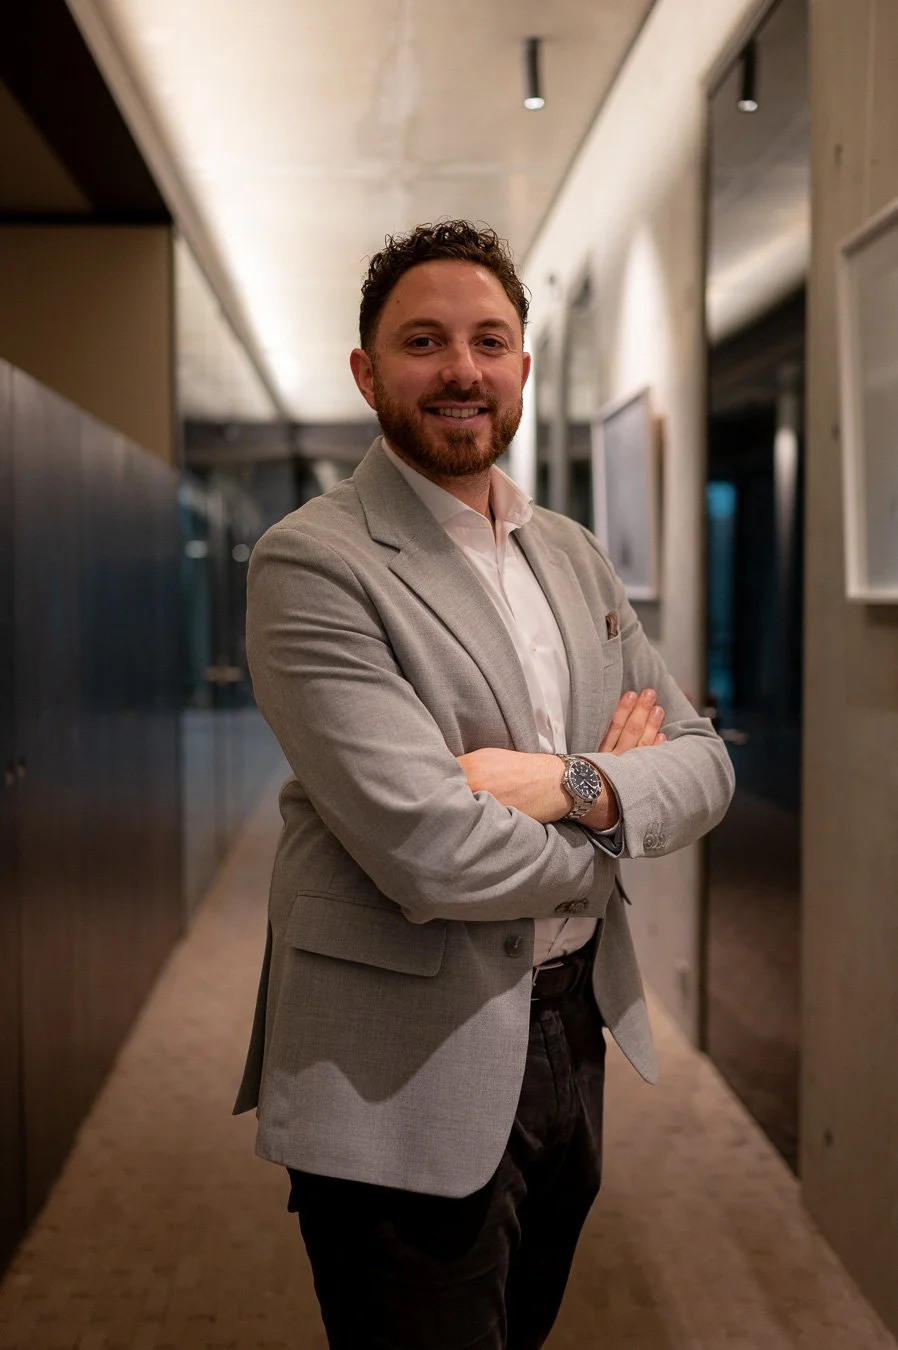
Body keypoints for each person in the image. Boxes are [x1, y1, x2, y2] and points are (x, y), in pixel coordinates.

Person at [235, 219, 734, 1349]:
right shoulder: (314, 561)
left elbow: (704, 760)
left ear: (521, 365)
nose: (462, 369)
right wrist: (621, 809)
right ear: (367, 372)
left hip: (572, 1027)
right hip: (399, 1055)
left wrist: (567, 782)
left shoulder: (572, 552)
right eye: (424, 342)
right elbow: (433, 850)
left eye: (489, 341)